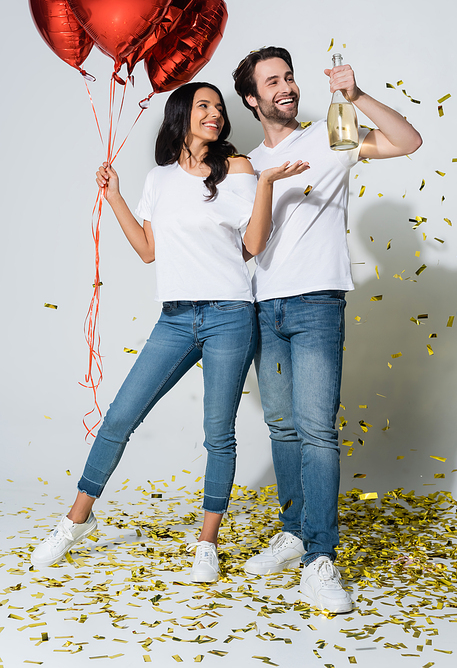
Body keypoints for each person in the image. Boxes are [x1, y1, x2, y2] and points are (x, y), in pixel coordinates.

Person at [31, 81, 308, 582]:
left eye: (220, 108)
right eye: (204, 106)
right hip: (175, 317)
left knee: (217, 435)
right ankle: (76, 520)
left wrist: (265, 186)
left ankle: (207, 543)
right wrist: (114, 196)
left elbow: (251, 244)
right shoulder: (158, 181)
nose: (215, 114)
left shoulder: (239, 169)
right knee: (118, 418)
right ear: (180, 115)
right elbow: (146, 249)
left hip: (229, 314)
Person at [233, 47, 422, 611]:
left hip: (317, 302)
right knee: (283, 426)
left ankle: (320, 558)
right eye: (273, 81)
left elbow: (406, 142)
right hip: (264, 306)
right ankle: (293, 530)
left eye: (289, 77)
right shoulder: (244, 163)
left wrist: (356, 95)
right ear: (252, 98)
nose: (286, 86)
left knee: (316, 430)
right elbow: (248, 243)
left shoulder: (330, 131)